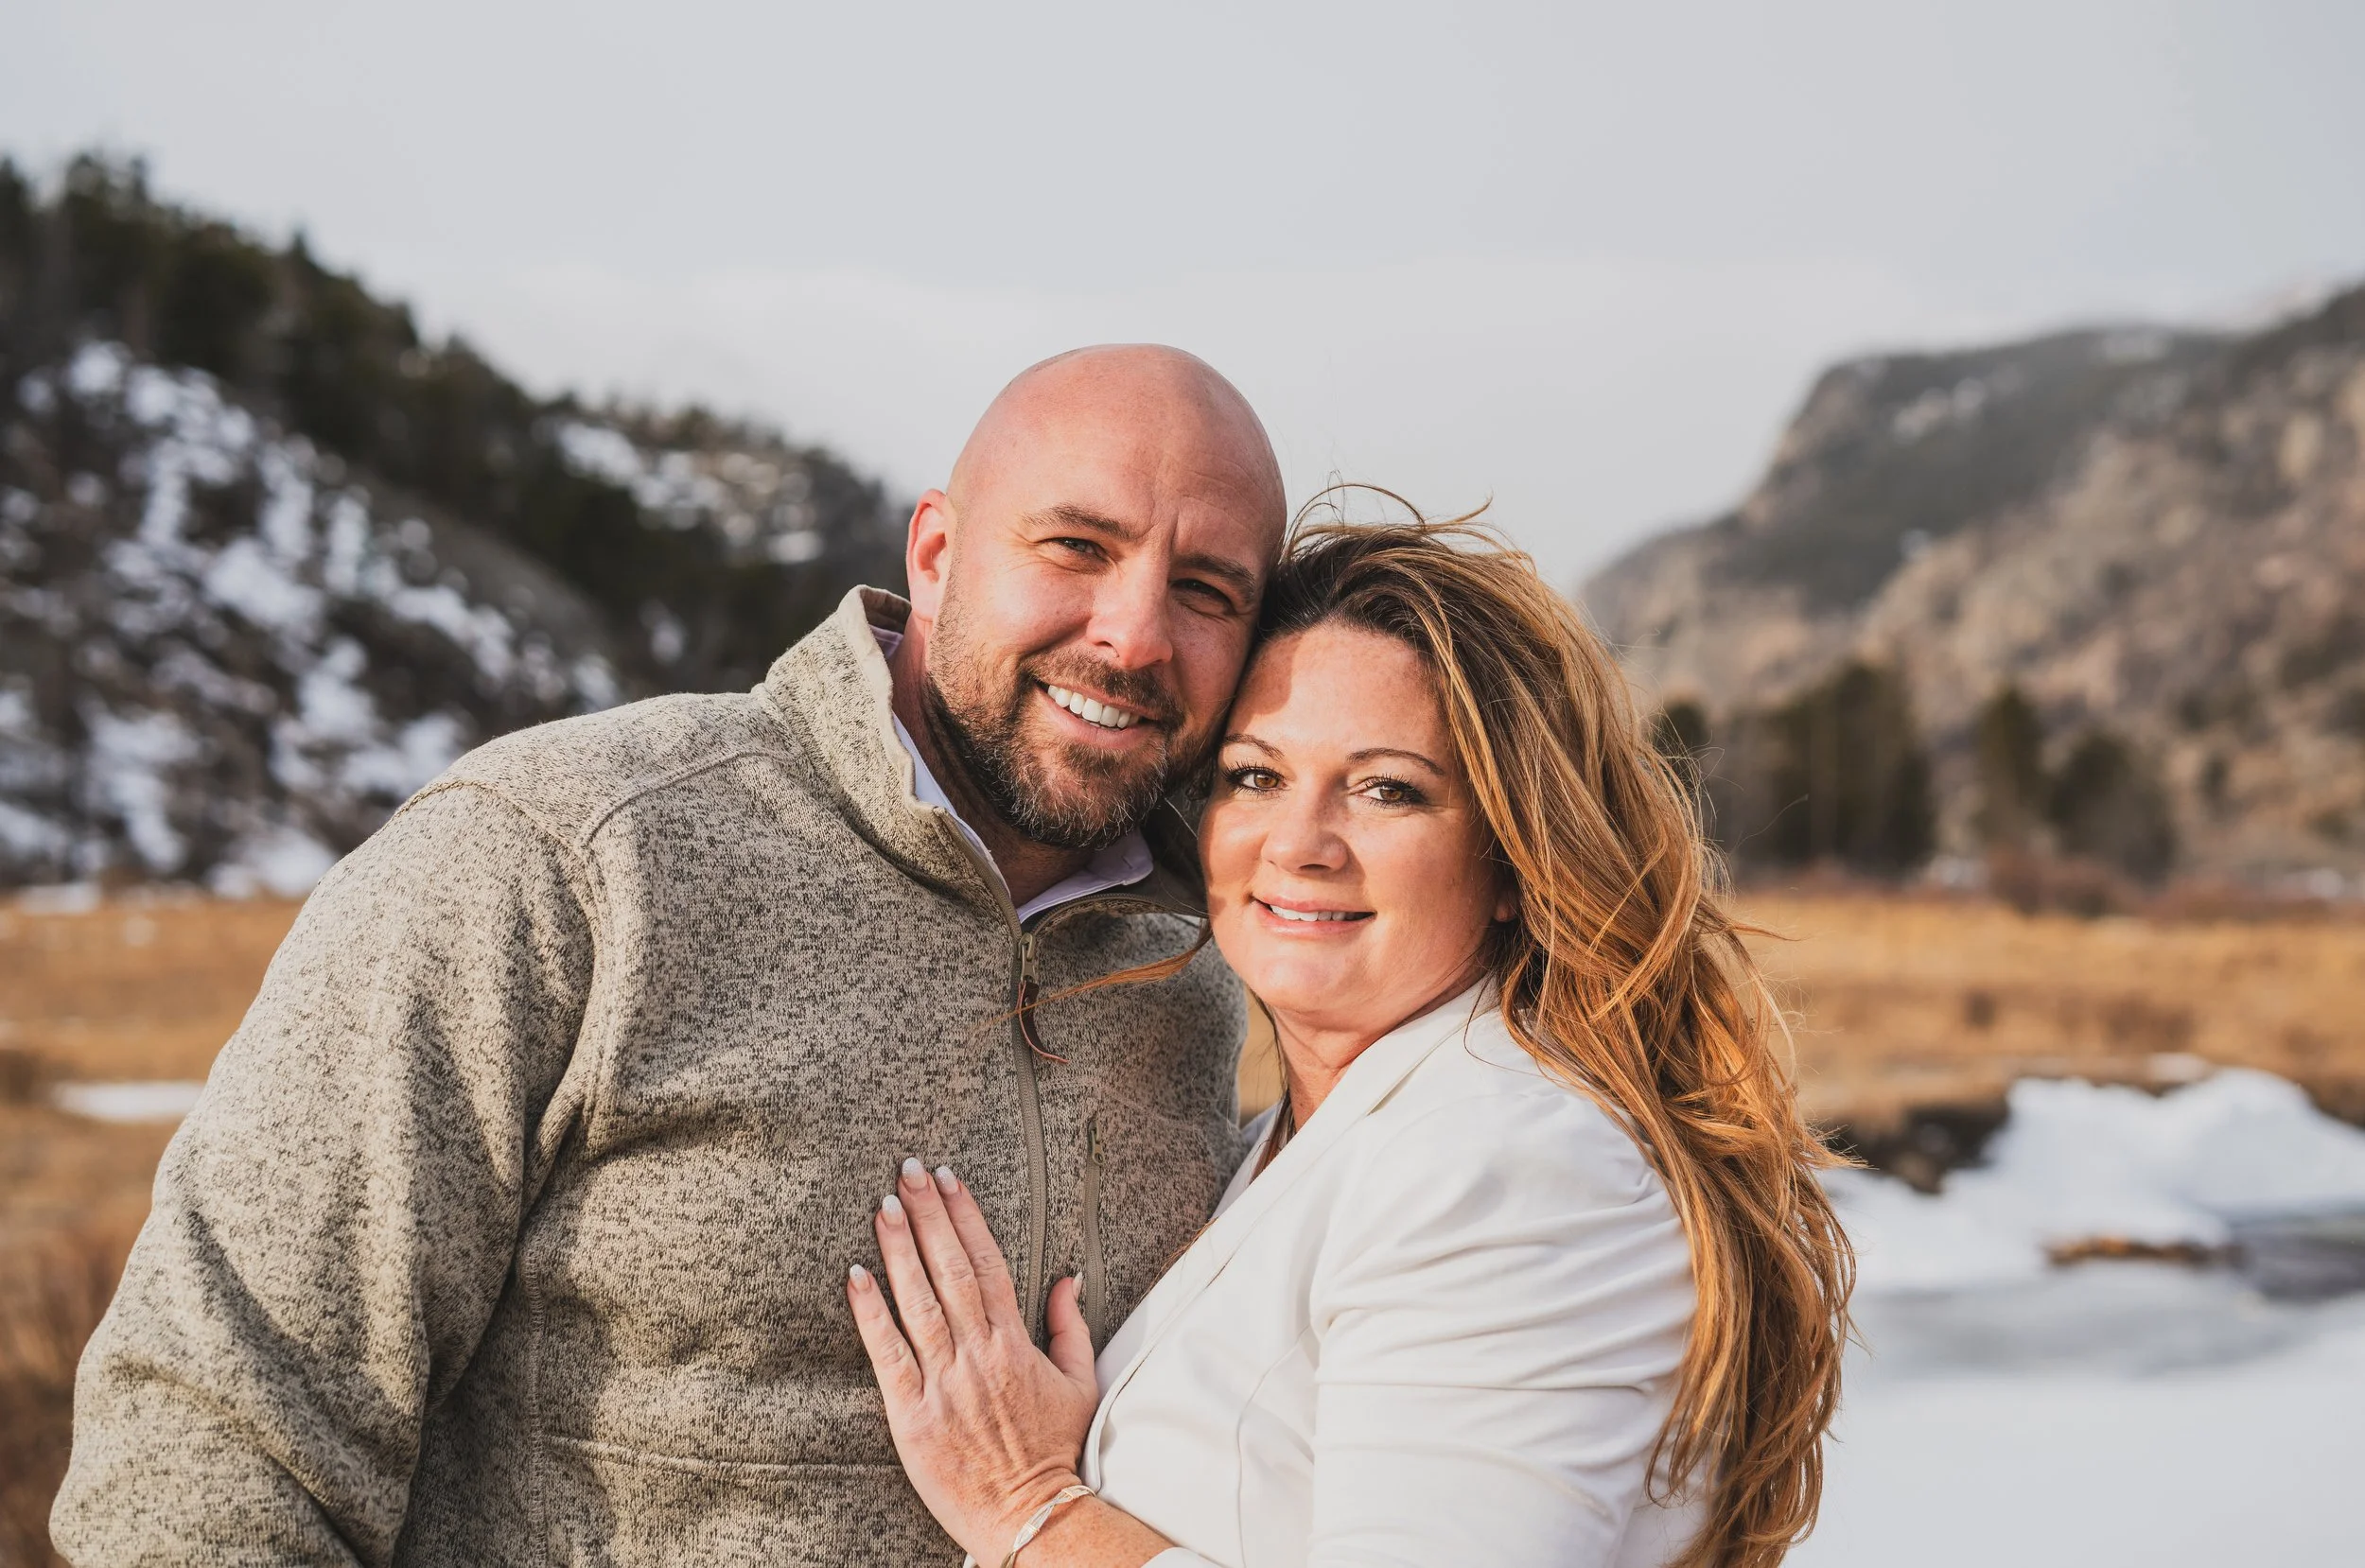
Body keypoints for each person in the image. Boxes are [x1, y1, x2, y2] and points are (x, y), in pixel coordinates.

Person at [53, 345, 1289, 1567]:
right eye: (1077, 546)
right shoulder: (563, 850)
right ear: (936, 550)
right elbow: (217, 1422)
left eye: (1208, 591)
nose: (1134, 636)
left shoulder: (1207, 970)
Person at [844, 516, 1854, 1568]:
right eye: (1255, 775)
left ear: (1512, 859)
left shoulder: (1508, 1161)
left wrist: (1029, 1507)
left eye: (1386, 789)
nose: (1299, 843)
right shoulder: (1315, 1136)